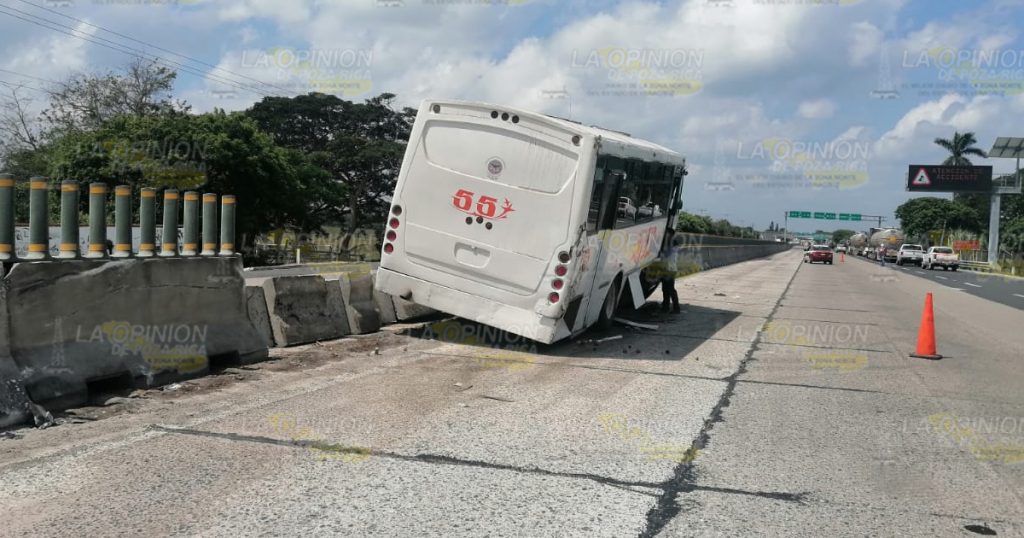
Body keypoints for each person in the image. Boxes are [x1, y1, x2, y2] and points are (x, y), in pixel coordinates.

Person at [659, 228, 680, 313]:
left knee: (670, 289)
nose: (665, 235)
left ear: (670, 234)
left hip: (670, 269)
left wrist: (661, 253)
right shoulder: (670, 243)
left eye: (666, 233)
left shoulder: (672, 243)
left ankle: (676, 308)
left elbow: (667, 255)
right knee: (665, 289)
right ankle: (666, 306)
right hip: (668, 269)